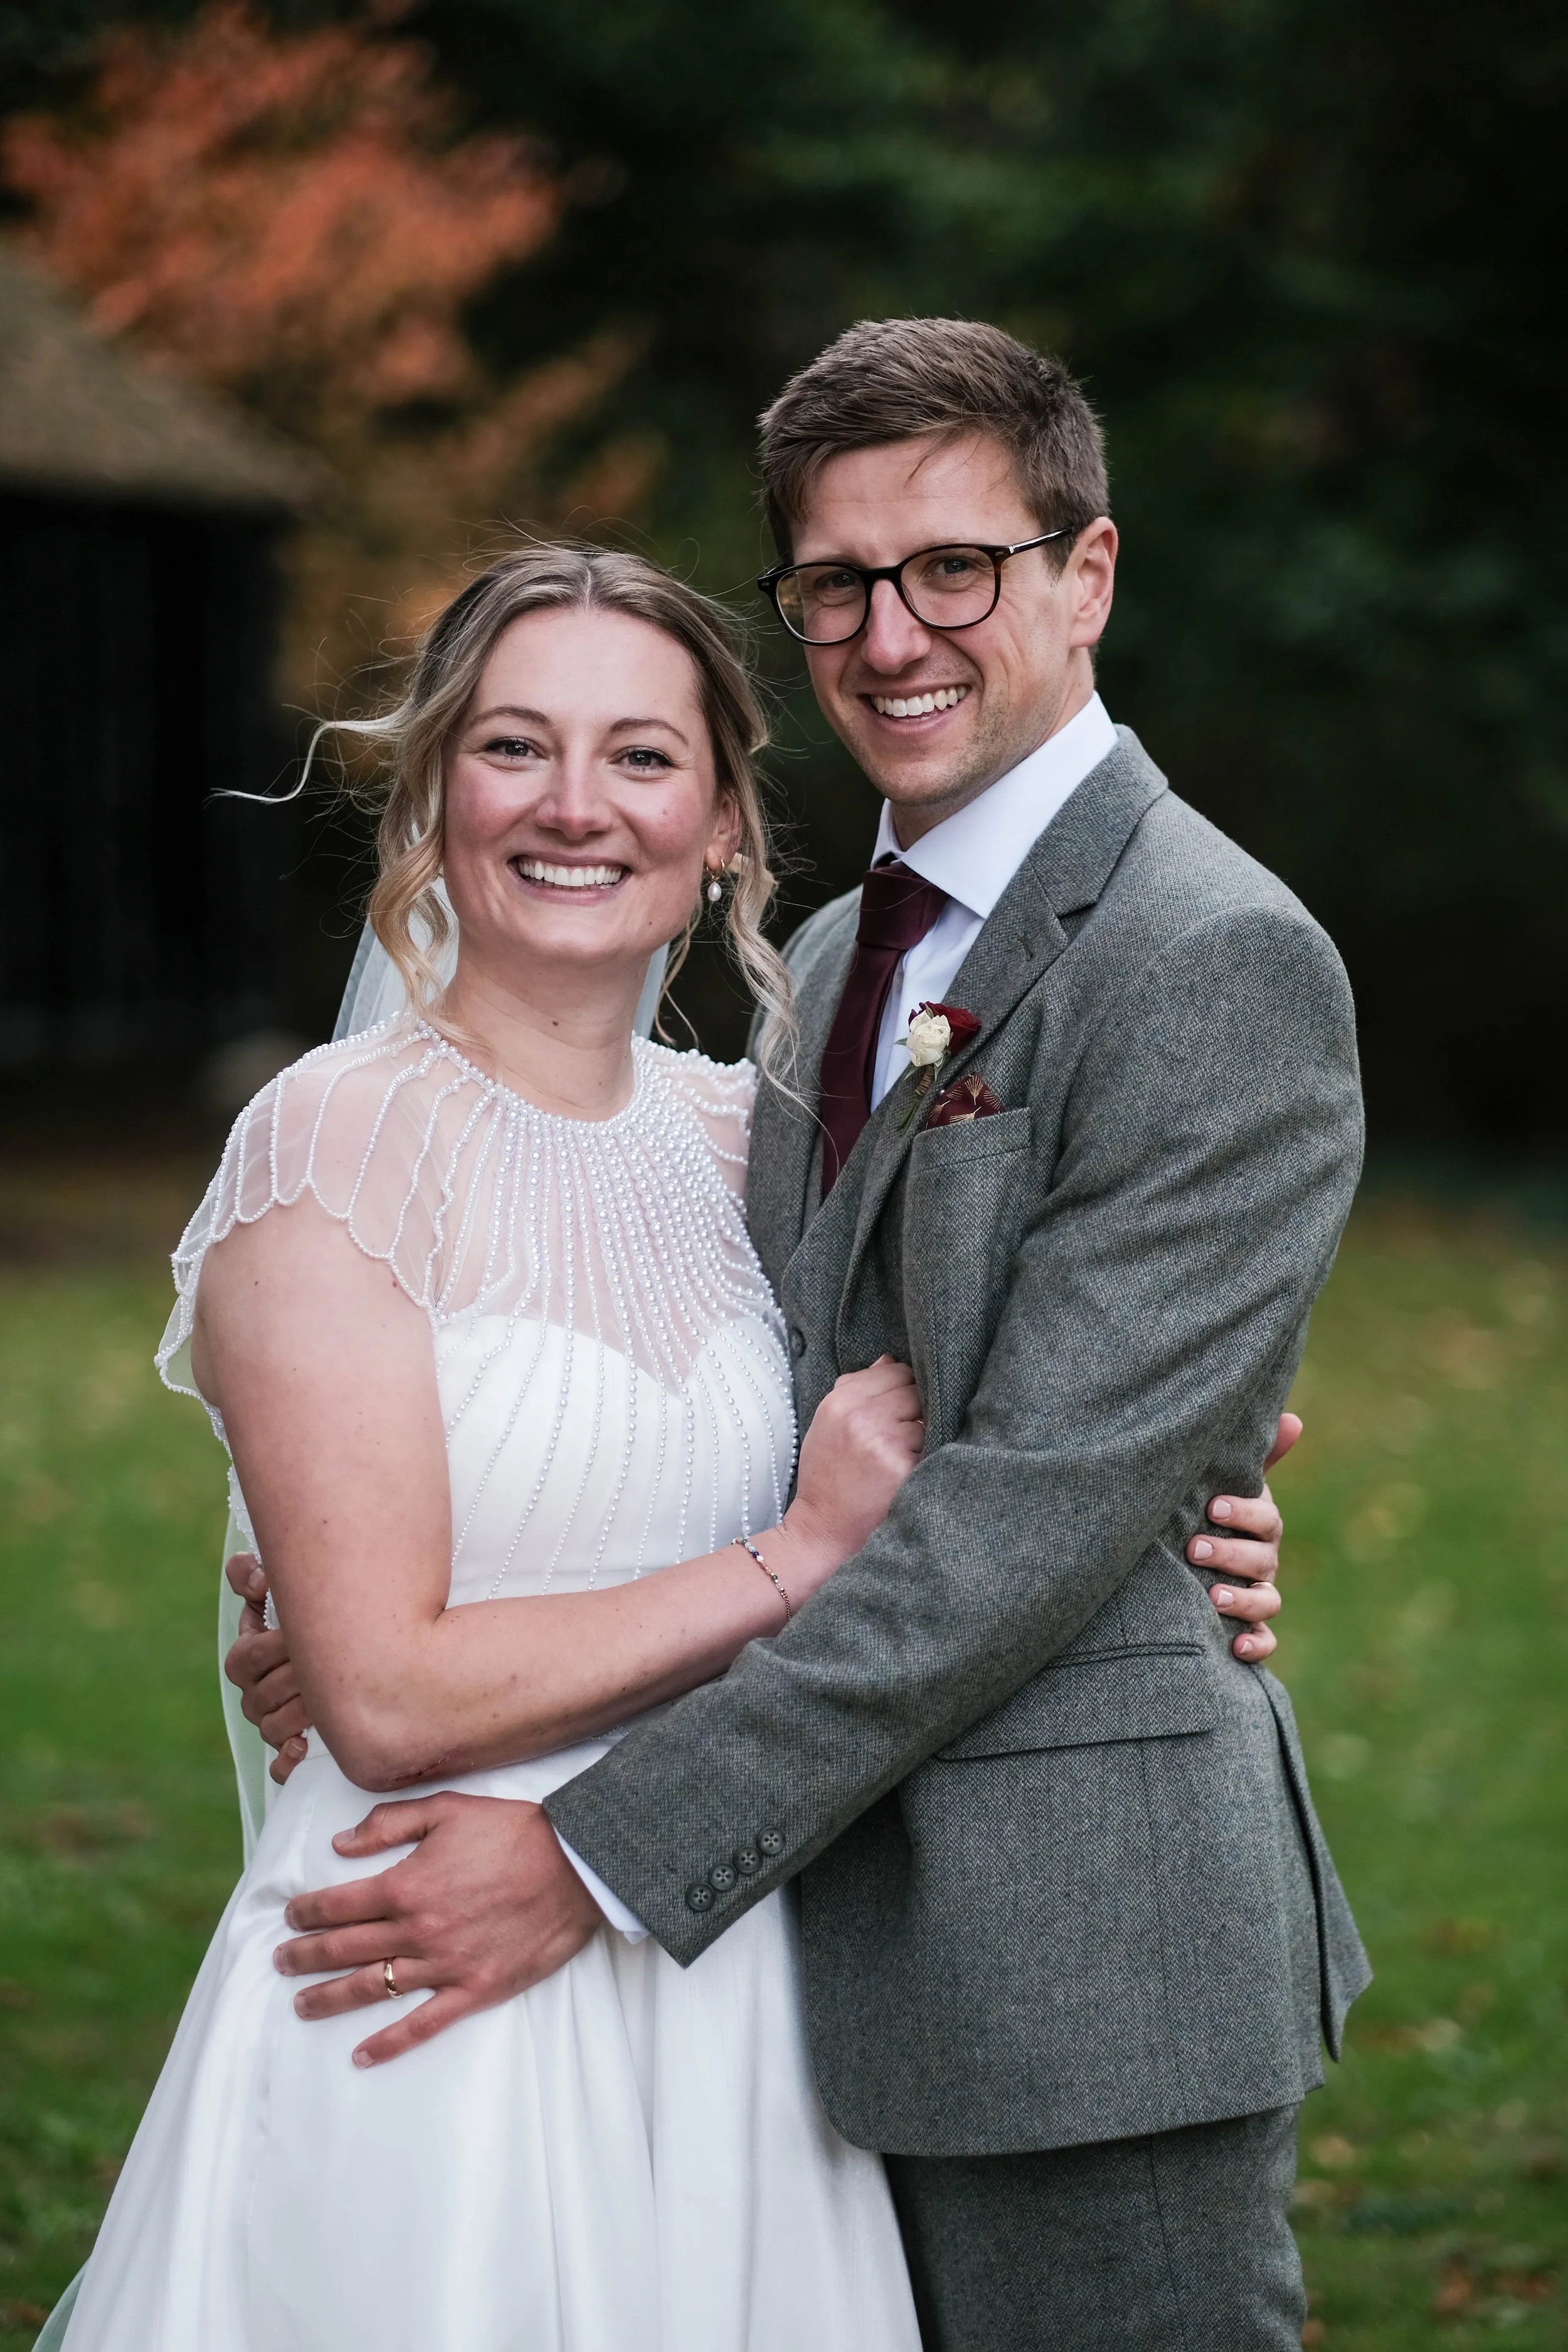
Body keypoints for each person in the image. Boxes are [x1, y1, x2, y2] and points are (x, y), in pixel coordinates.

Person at [238, 322, 1370, 2352]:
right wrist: (369, 1594)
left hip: (1064, 1957)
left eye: (955, 566)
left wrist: (590, 1858)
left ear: (1083, 574)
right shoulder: (838, 959)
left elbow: (1018, 1513)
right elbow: (772, 1395)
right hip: (779, 1959)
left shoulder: (1215, 958)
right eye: (835, 582)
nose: (891, 629)